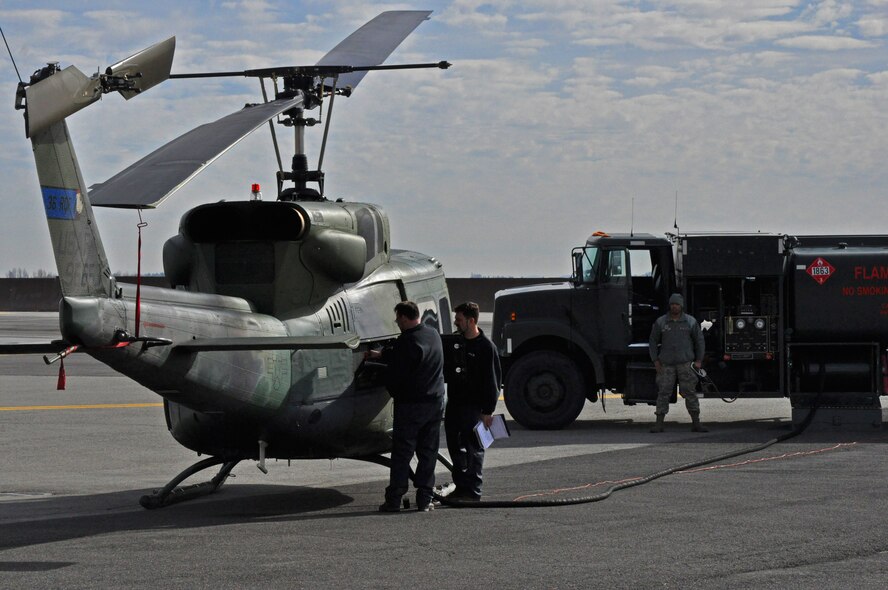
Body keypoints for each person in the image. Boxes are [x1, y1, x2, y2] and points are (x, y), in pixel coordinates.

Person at [366, 301, 445, 512]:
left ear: (403, 317)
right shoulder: (432, 335)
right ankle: (425, 498)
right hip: (435, 404)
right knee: (428, 452)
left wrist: (384, 376)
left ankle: (394, 499)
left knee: (402, 454)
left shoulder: (406, 342)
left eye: (397, 319)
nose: (397, 323)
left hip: (411, 407)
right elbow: (415, 355)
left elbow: (395, 375)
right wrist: (383, 354)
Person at [444, 302, 502, 501]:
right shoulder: (455, 344)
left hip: (474, 407)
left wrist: (488, 410)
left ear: (471, 321)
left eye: (459, 320)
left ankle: (473, 491)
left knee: (473, 449)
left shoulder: (486, 347)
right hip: (455, 405)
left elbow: (493, 382)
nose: (456, 323)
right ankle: (461, 487)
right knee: (455, 446)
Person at [648, 293, 707, 433]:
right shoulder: (661, 322)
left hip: (685, 364)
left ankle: (696, 423)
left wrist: (699, 360)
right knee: (663, 393)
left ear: (681, 306)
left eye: (677, 304)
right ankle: (659, 423)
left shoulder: (690, 322)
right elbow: (653, 341)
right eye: (672, 304)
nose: (675, 306)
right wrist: (655, 360)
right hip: (666, 364)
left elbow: (699, 341)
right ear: (670, 305)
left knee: (690, 393)